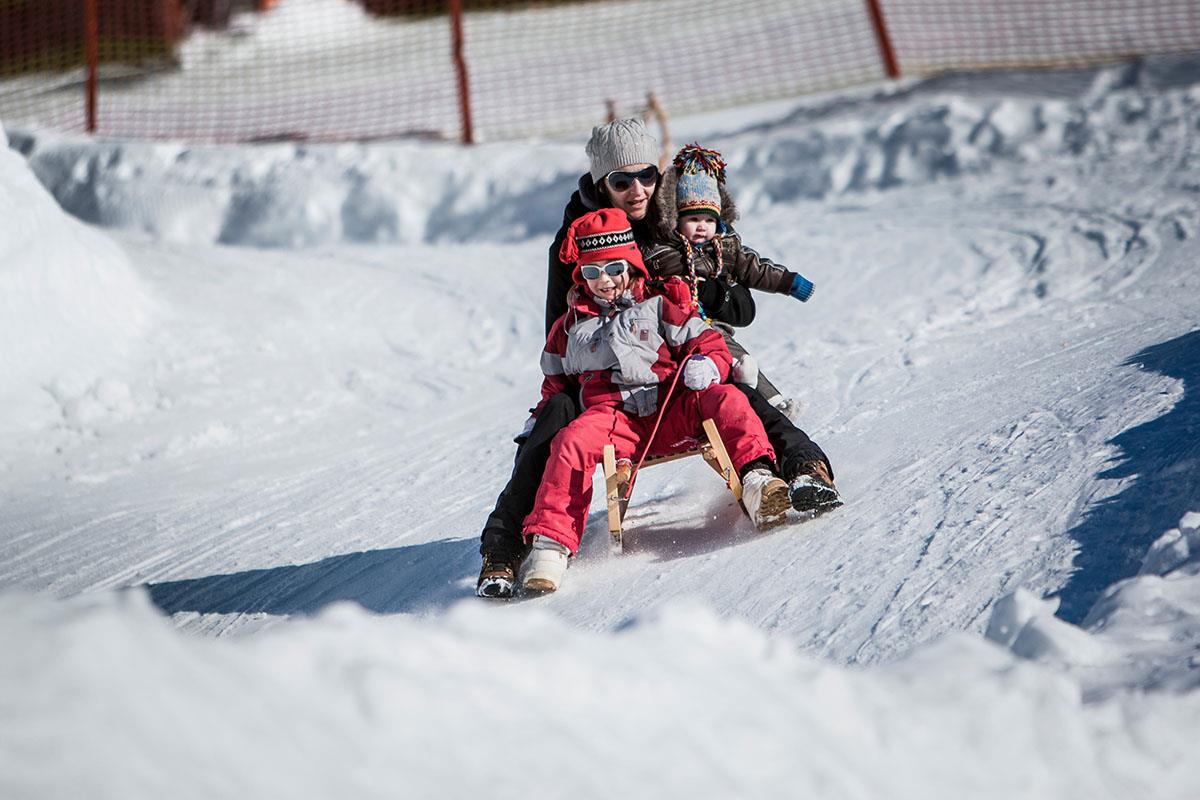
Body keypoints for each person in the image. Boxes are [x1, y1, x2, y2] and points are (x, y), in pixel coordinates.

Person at [477, 118, 755, 599]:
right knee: (556, 423)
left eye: (647, 175)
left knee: (727, 381)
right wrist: (564, 394)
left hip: (677, 353)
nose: (637, 188)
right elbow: (559, 336)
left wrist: (698, 287)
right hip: (604, 374)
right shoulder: (573, 244)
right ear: (601, 183)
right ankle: (508, 549)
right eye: (621, 180)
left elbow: (740, 307)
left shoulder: (678, 219)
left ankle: (785, 470)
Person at [519, 208, 792, 595]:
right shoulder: (569, 328)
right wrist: (538, 416)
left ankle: (758, 480)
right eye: (592, 273)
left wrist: (708, 365)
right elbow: (555, 384)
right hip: (616, 421)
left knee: (727, 398)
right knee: (570, 442)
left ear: (630, 265)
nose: (605, 281)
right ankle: (551, 546)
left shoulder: (662, 303)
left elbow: (709, 342)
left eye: (614, 268)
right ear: (581, 277)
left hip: (672, 409)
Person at [641, 142, 841, 512]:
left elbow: (754, 267)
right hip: (686, 329)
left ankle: (768, 398)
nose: (701, 227)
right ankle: (760, 402)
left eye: (708, 220)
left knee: (735, 352)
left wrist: (789, 282)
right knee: (726, 353)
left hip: (715, 326)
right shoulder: (665, 252)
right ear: (676, 219)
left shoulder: (725, 246)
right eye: (692, 219)